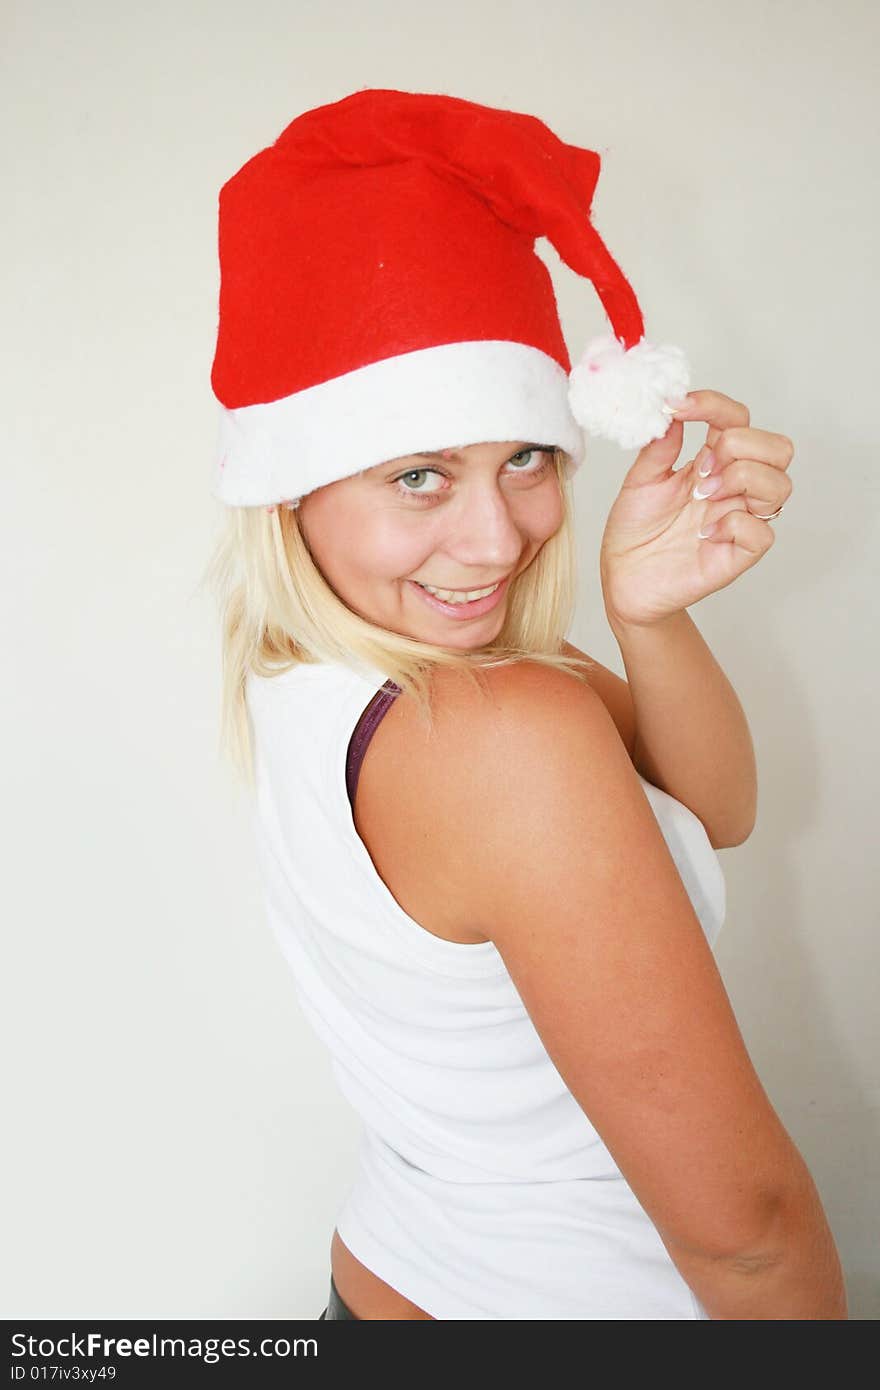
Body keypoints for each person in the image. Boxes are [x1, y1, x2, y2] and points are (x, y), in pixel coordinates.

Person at [205, 88, 846, 1320]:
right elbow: (750, 1236)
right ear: (293, 485)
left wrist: (647, 616)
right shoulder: (500, 734)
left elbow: (716, 808)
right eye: (420, 475)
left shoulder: (325, 664)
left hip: (400, 1273)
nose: (495, 538)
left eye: (525, 459)